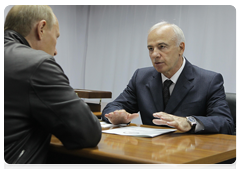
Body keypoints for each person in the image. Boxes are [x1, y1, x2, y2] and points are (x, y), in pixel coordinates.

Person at [4, 5, 101, 169]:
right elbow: (88, 133)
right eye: (56, 37)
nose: (55, 51)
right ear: (41, 28)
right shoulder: (37, 64)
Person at [102, 21, 234, 135]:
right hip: (150, 152)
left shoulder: (209, 81)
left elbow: (225, 122)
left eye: (162, 47)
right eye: (150, 48)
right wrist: (116, 116)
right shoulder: (141, 77)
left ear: (181, 48)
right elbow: (114, 106)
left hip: (188, 154)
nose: (155, 54)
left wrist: (189, 122)